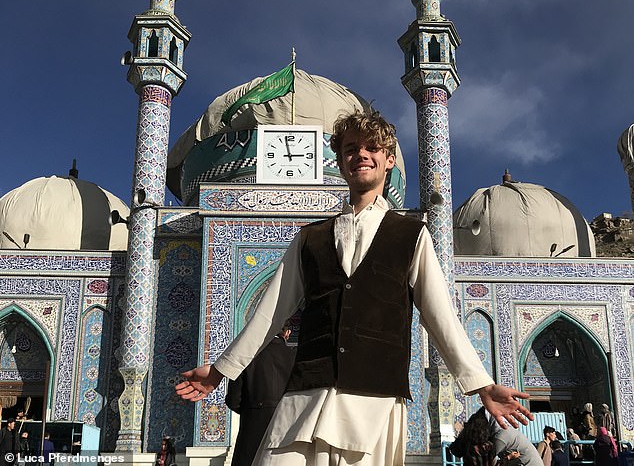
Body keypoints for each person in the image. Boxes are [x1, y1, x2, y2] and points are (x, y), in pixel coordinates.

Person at [176, 110, 533, 465]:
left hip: (372, 396)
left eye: (372, 147)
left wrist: (482, 385)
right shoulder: (310, 237)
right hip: (307, 391)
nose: (361, 154)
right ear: (340, 162)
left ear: (388, 160)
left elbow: (441, 316)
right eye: (350, 149)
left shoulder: (410, 235)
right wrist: (220, 370)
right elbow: (270, 312)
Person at [225, 325, 296, 466]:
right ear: (287, 333)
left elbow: (233, 400)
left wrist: (253, 410)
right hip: (287, 430)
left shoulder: (247, 357)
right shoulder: (296, 356)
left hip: (253, 431)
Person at [449, 407, 541, 466]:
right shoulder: (493, 439)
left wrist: (508, 458)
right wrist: (508, 458)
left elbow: (489, 463)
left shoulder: (501, 436)